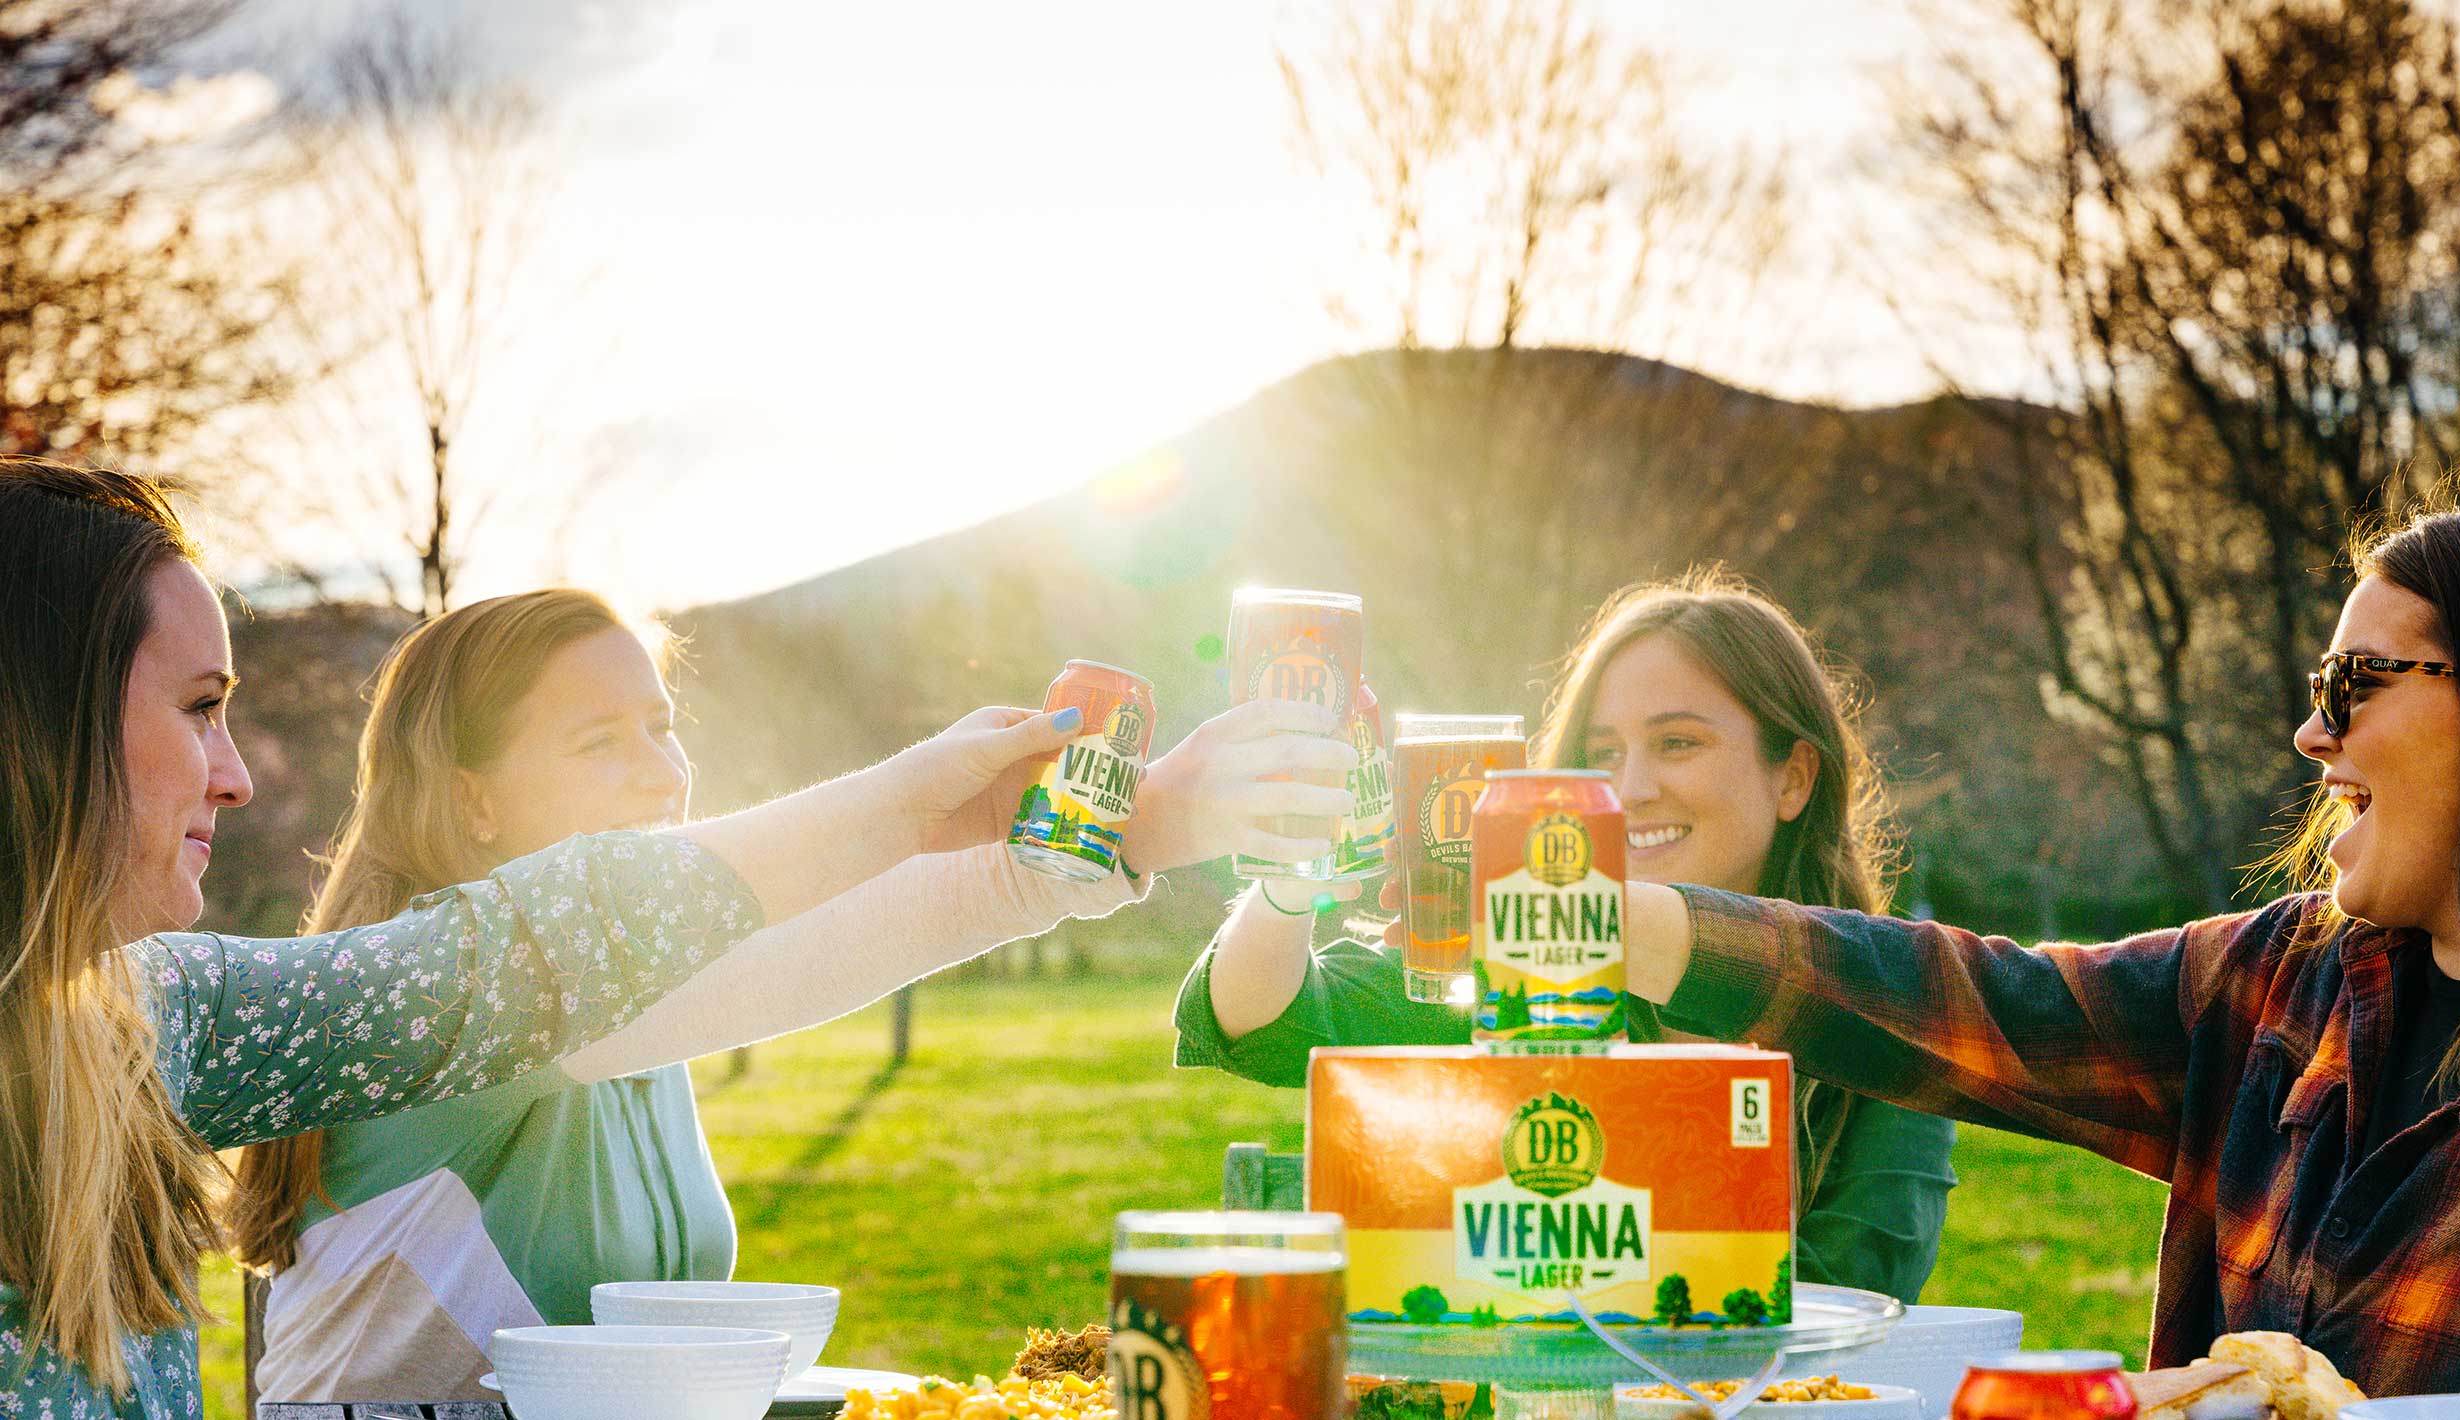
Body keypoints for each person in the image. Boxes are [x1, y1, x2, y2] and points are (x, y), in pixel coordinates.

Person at [0, 458, 1345, 1420]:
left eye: (665, 726)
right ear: (43, 733)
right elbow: (583, 942)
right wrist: (1072, 824)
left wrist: (1110, 830)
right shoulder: (491, 1000)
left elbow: (670, 943)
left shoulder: (146, 1019)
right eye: (194, 709)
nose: (233, 776)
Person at [224, 589, 1353, 1401]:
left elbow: (818, 928)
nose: (662, 776)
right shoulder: (454, 997)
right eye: (598, 742)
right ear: (471, 801)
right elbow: (829, 942)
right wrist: (1139, 819)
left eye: (662, 728)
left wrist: (1114, 828)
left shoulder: (631, 1001)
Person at [1624, 499, 2460, 1395]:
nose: (2312, 732)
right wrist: (1631, 925)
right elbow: (1983, 1003)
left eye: (2353, 683)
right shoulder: (2276, 981)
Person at [1172, 570, 1959, 1303]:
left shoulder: (1881, 1001)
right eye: (1600, 753)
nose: (1629, 789)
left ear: (1793, 777)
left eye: (1677, 742)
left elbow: (1852, 1294)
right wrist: (1290, 882)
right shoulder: (1520, 971)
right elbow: (1257, 1018)